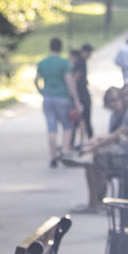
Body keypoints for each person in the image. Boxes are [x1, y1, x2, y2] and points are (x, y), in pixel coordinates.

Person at [35, 36, 77, 168]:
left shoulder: (42, 63)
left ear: (50, 47)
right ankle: (65, 150)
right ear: (61, 47)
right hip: (62, 97)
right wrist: (76, 99)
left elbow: (36, 80)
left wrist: (41, 92)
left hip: (47, 98)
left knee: (51, 128)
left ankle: (52, 157)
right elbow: (70, 82)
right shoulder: (64, 63)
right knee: (67, 125)